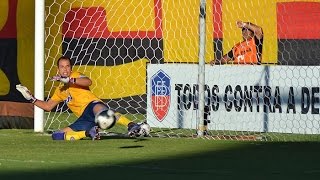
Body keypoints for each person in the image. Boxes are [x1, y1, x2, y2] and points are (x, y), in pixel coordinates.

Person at [16, 56, 149, 140]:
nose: (65, 69)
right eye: (62, 67)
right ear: (58, 69)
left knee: (104, 113)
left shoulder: (76, 75)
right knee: (57, 135)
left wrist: (69, 79)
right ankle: (88, 133)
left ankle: (132, 125)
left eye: (67, 66)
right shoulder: (60, 90)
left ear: (71, 68)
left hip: (92, 106)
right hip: (84, 118)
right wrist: (31, 98)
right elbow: (48, 106)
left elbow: (88, 82)